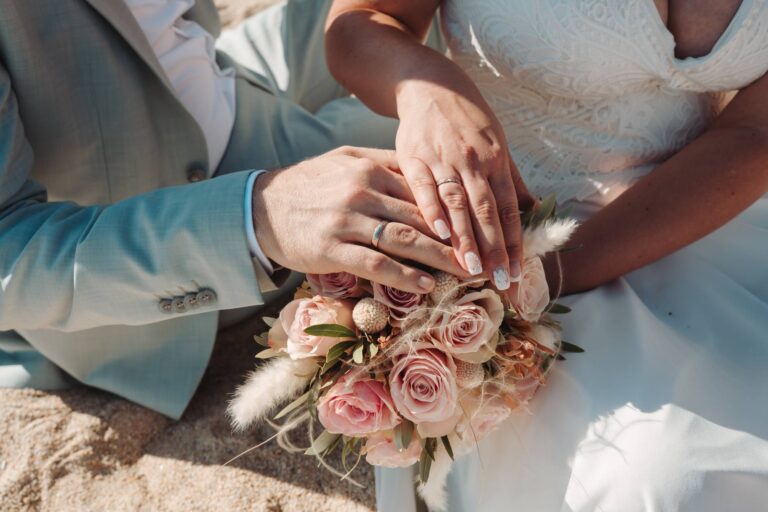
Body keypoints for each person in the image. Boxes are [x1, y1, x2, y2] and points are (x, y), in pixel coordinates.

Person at [325, 0, 768, 510]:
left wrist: (549, 272)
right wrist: (421, 83)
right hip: (503, 229)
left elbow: (754, 133)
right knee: (662, 479)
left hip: (719, 210)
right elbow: (358, 25)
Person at [0, 0, 471, 420]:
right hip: (176, 229)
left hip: (232, 75)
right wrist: (255, 220)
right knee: (448, 178)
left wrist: (422, 85)